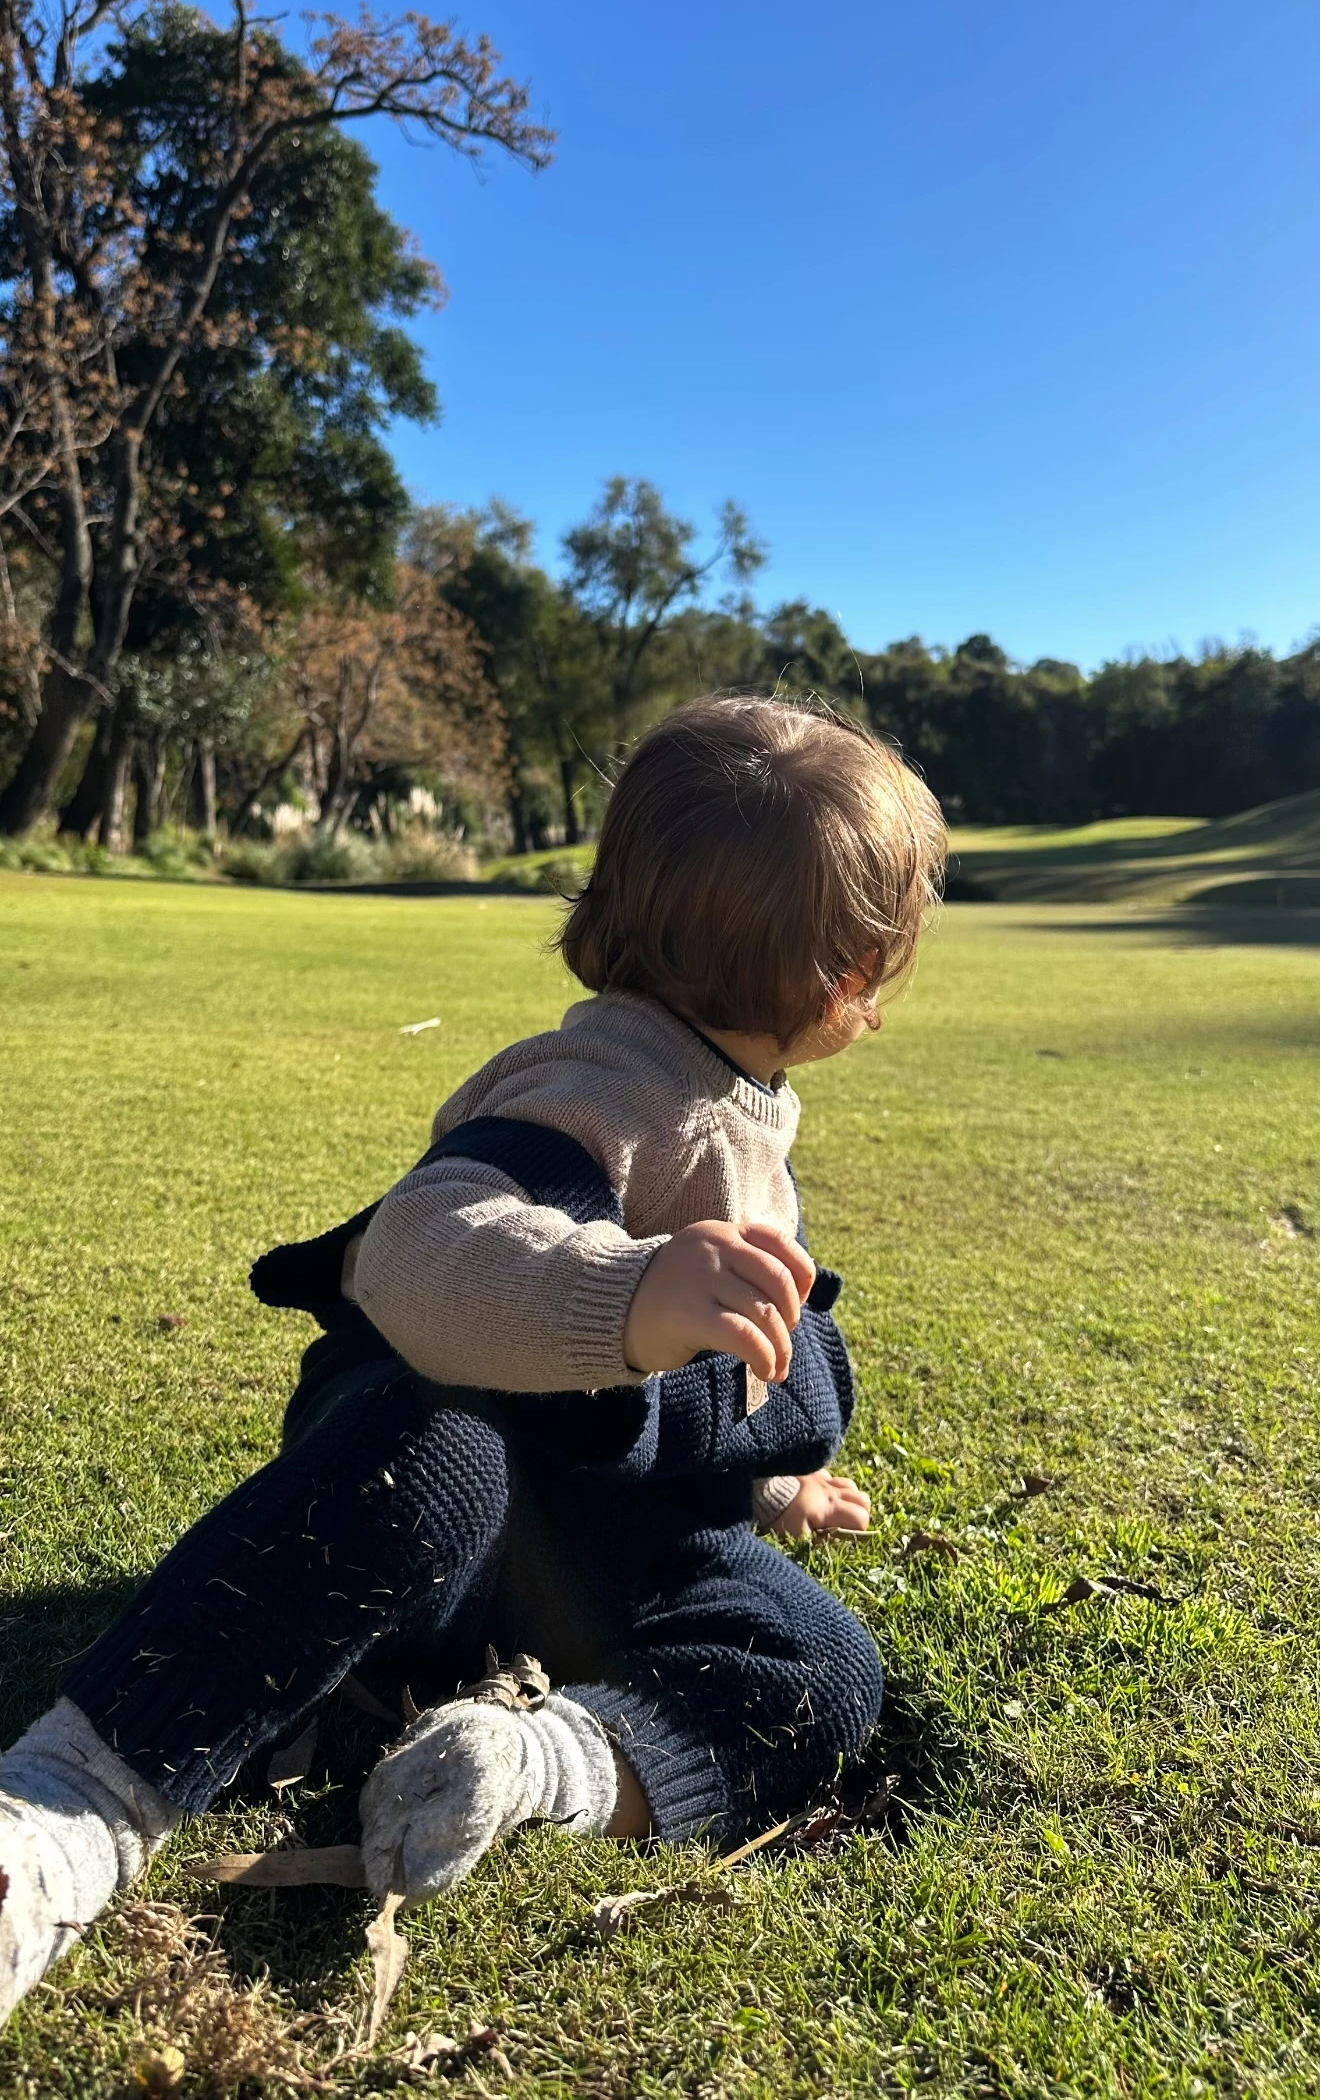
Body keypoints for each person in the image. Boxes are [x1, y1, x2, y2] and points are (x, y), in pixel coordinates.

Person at [0, 694, 945, 2023]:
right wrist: (626, 1290)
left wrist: (773, 1492)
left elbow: (707, 1379)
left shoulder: (742, 1111)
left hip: (586, 1551)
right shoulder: (599, 1080)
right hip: (452, 1512)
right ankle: (69, 1809)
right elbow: (419, 1248)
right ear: (850, 979)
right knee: (425, 1460)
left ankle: (528, 1761)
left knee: (826, 1667)